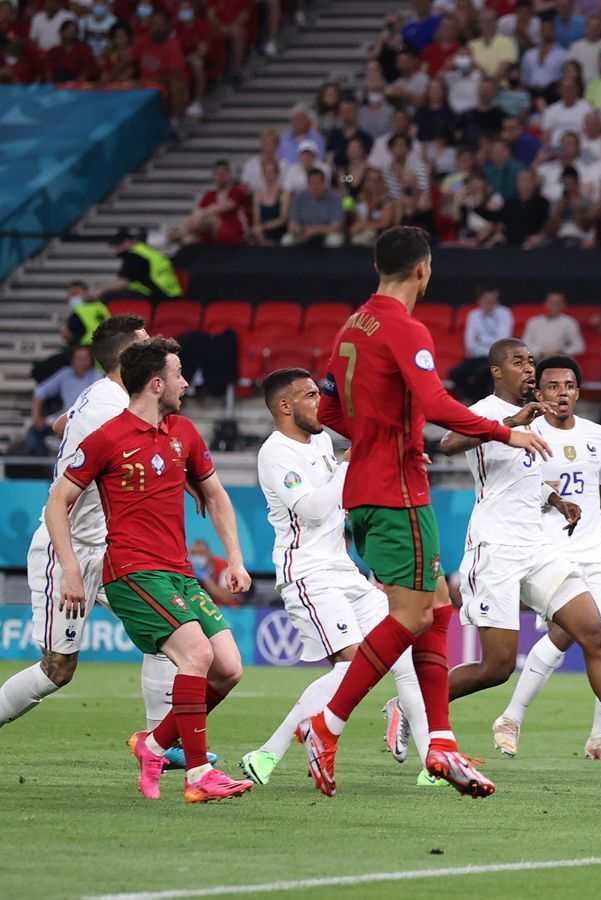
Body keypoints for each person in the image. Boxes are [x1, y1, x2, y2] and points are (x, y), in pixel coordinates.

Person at [300, 226, 549, 799]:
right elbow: (436, 403)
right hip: (398, 493)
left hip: (372, 486)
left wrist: (373, 437)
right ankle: (327, 724)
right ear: (422, 271)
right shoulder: (403, 327)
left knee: (437, 610)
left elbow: (331, 406)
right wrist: (503, 433)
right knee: (411, 616)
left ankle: (440, 743)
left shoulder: (351, 325)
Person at [433, 343, 601, 777]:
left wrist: (557, 500)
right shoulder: (485, 410)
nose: (528, 368)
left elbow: (525, 478)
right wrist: (509, 424)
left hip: (539, 546)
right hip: (495, 548)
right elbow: (448, 443)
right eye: (519, 362)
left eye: (531, 361)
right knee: (495, 668)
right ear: (496, 372)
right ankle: (411, 704)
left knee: (598, 633)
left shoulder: (538, 417)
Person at [43, 336, 254, 803]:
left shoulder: (183, 431)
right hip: (133, 571)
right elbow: (56, 503)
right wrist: (71, 568)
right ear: (156, 383)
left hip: (177, 572)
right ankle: (199, 776)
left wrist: (235, 558)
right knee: (196, 656)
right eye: (178, 374)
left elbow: (216, 495)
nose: (185, 382)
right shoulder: (107, 438)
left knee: (229, 670)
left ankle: (154, 744)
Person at [1, 317, 186, 766]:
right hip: (67, 546)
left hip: (109, 549)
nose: (156, 347)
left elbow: (61, 423)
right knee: (57, 670)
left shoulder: (106, 396)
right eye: (147, 344)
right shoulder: (111, 408)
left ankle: (160, 748)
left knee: (169, 634)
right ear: (128, 359)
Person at [238, 368, 430, 787]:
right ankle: (269, 752)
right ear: (285, 406)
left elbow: (347, 487)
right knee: (353, 668)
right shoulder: (276, 454)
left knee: (405, 659)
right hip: (308, 575)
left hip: (344, 570)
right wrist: (347, 465)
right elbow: (313, 508)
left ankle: (433, 764)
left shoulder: (322, 440)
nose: (320, 403)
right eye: (309, 396)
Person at [491, 356, 601, 764]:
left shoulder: (599, 436)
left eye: (569, 386)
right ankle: (512, 716)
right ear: (538, 393)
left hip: (596, 550)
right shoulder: (523, 433)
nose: (562, 393)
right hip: (548, 549)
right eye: (553, 386)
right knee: (572, 633)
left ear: (578, 391)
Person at [27, 345, 100, 454]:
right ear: (72, 360)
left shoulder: (97, 376)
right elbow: (40, 391)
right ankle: (44, 467)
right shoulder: (65, 373)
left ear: (91, 361)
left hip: (86, 421)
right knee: (34, 431)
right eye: (79, 359)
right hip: (65, 417)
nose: (82, 362)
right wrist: (36, 415)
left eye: (85, 359)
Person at [450, 285, 511, 399]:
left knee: (481, 373)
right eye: (487, 300)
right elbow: (470, 343)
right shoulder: (473, 315)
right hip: (476, 356)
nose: (490, 303)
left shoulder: (505, 313)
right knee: (456, 373)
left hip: (495, 356)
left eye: (493, 300)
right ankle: (475, 399)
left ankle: (480, 402)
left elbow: (502, 341)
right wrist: (490, 340)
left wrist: (481, 339)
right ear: (479, 301)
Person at [96, 229, 181, 302]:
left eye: (118, 245)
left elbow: (122, 282)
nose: (117, 250)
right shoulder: (146, 251)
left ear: (127, 242)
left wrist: (100, 290)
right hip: (171, 292)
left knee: (107, 296)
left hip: (157, 295)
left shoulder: (133, 256)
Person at [283, 169, 346, 247]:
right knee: (287, 240)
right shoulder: (299, 197)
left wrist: (314, 230)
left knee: (334, 241)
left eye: (318, 183)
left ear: (324, 183)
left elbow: (336, 227)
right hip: (304, 232)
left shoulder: (335, 198)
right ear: (307, 184)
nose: (315, 186)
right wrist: (300, 230)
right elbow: (292, 224)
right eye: (312, 183)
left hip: (327, 233)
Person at [521, 292, 585, 359]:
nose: (554, 305)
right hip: (537, 358)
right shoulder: (534, 322)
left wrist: (562, 352)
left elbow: (579, 346)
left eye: (558, 302)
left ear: (564, 305)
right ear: (545, 304)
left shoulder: (569, 322)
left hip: (561, 358)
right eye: (551, 302)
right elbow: (525, 345)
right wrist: (540, 352)